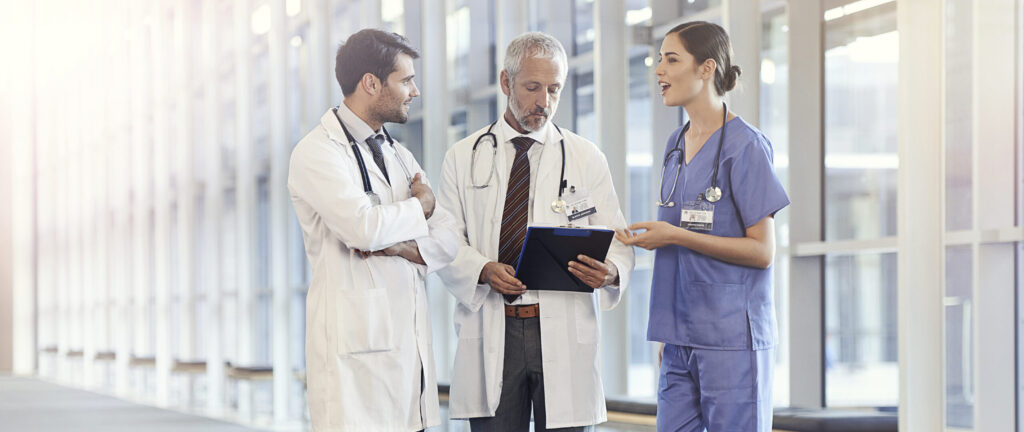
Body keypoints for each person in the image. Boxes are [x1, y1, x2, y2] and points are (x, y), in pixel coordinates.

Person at [436, 32, 635, 432]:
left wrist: (611, 271)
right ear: (506, 83)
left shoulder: (585, 157)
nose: (544, 101)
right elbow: (443, 240)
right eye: (532, 87)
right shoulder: (463, 156)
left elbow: (618, 238)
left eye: (554, 89)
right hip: (494, 324)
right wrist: (482, 269)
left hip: (562, 326)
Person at [615, 21, 789, 432]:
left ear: (707, 68)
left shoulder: (746, 145)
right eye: (658, 59)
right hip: (679, 337)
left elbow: (762, 252)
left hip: (732, 337)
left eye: (671, 59)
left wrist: (674, 235)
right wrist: (671, 338)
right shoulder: (675, 144)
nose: (659, 70)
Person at [288, 29, 460, 432]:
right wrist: (420, 206)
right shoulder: (318, 152)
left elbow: (449, 237)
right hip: (355, 369)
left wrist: (399, 247)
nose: (414, 91)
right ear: (370, 82)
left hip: (407, 362)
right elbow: (362, 229)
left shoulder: (400, 155)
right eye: (406, 80)